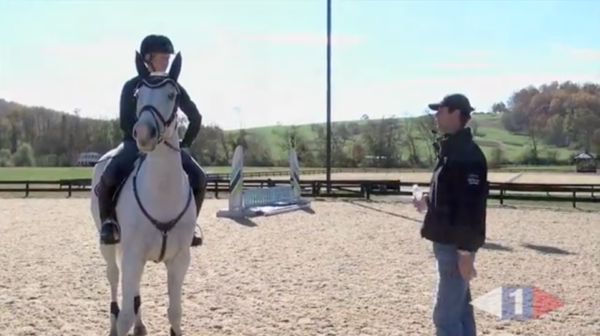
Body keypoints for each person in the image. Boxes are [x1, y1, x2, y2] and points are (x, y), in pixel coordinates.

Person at [97, 34, 206, 247]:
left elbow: (196, 117)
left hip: (167, 145)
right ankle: (109, 223)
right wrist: (140, 136)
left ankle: (189, 226)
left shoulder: (172, 86)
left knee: (200, 178)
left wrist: (184, 144)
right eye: (162, 56)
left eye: (168, 57)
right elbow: (125, 119)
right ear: (147, 59)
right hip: (134, 142)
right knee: (109, 175)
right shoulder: (132, 86)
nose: (166, 60)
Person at [412, 93, 488, 336]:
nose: (436, 115)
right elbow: (452, 197)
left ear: (456, 113)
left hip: (455, 245)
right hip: (448, 242)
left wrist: (465, 251)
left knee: (445, 317)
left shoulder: (467, 154)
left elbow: (471, 206)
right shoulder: (452, 150)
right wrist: (426, 202)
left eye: (440, 110)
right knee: (460, 310)